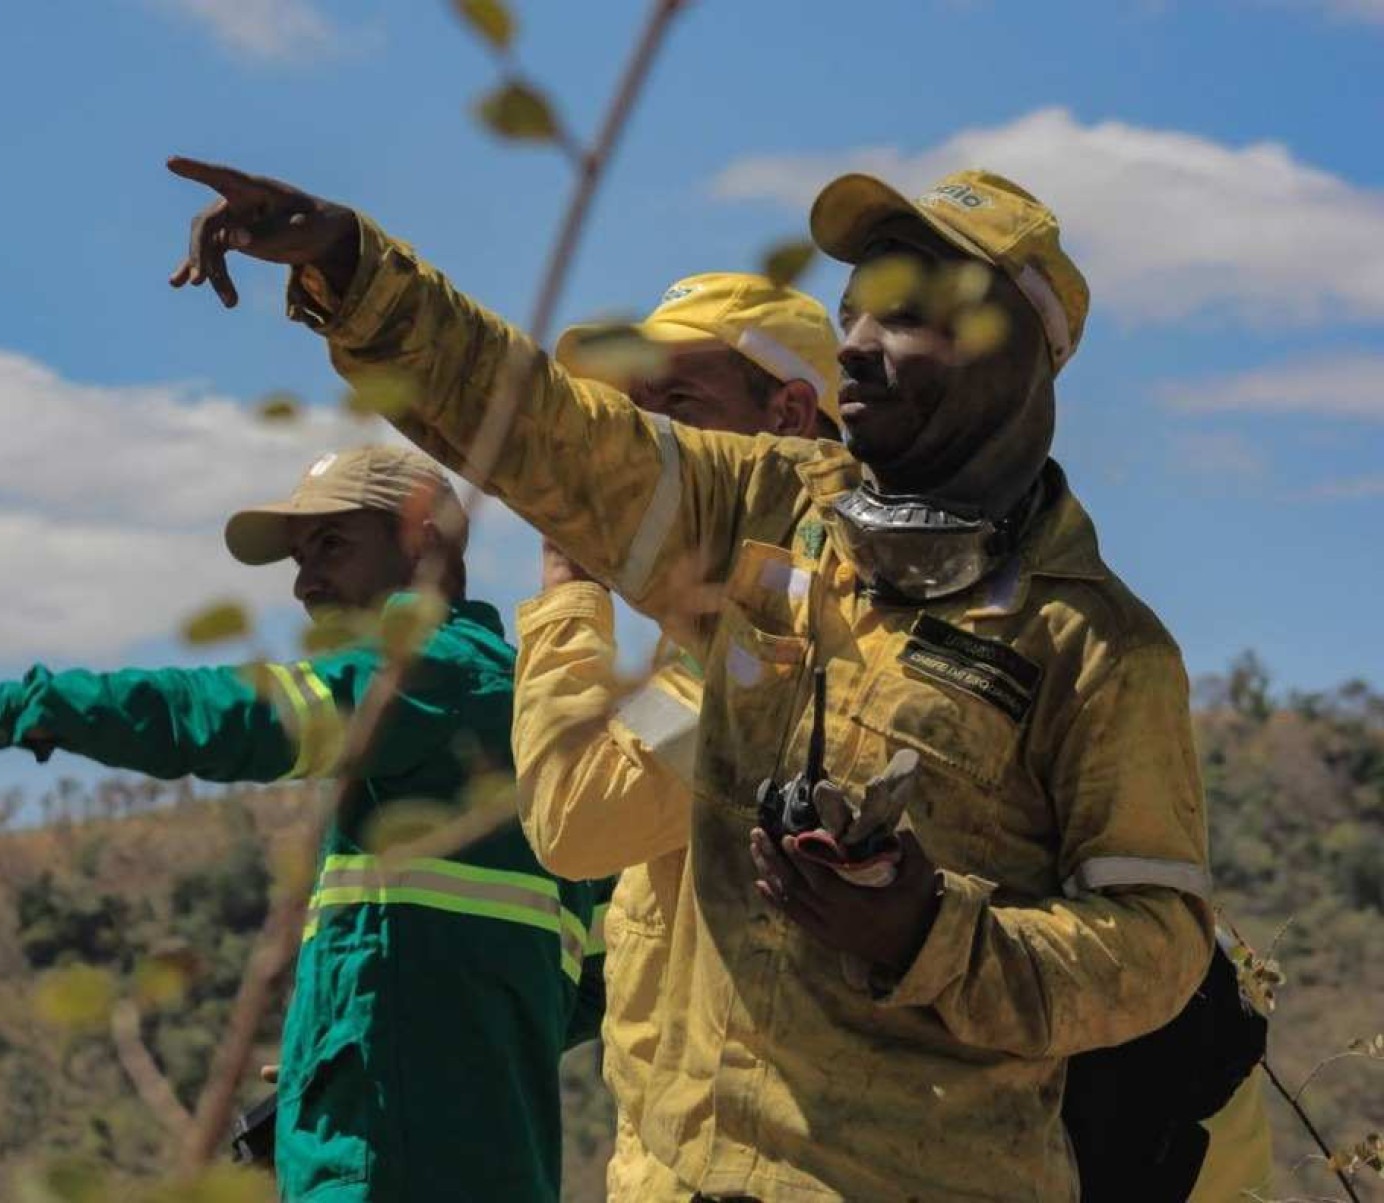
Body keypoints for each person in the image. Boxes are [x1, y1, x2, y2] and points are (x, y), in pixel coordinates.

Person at [167, 158, 1217, 1201]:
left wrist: (929, 932)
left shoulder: (1098, 647)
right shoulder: (763, 513)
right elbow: (548, 432)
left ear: (1014, 354)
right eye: (851, 314)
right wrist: (352, 265)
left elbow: (1159, 946)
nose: (857, 344)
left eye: (904, 320)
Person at [0, 445, 599, 1203]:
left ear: (422, 537)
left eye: (331, 544)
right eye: (300, 557)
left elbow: (236, 717)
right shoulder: (534, 720)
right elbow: (591, 977)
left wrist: (8, 709)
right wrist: (361, 1041)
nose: (305, 582)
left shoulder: (427, 674)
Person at [511, 273, 839, 1200]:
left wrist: (570, 577)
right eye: (632, 410)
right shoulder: (727, 636)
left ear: (789, 414)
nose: (638, 441)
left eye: (678, 405)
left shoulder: (782, 639)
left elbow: (577, 821)